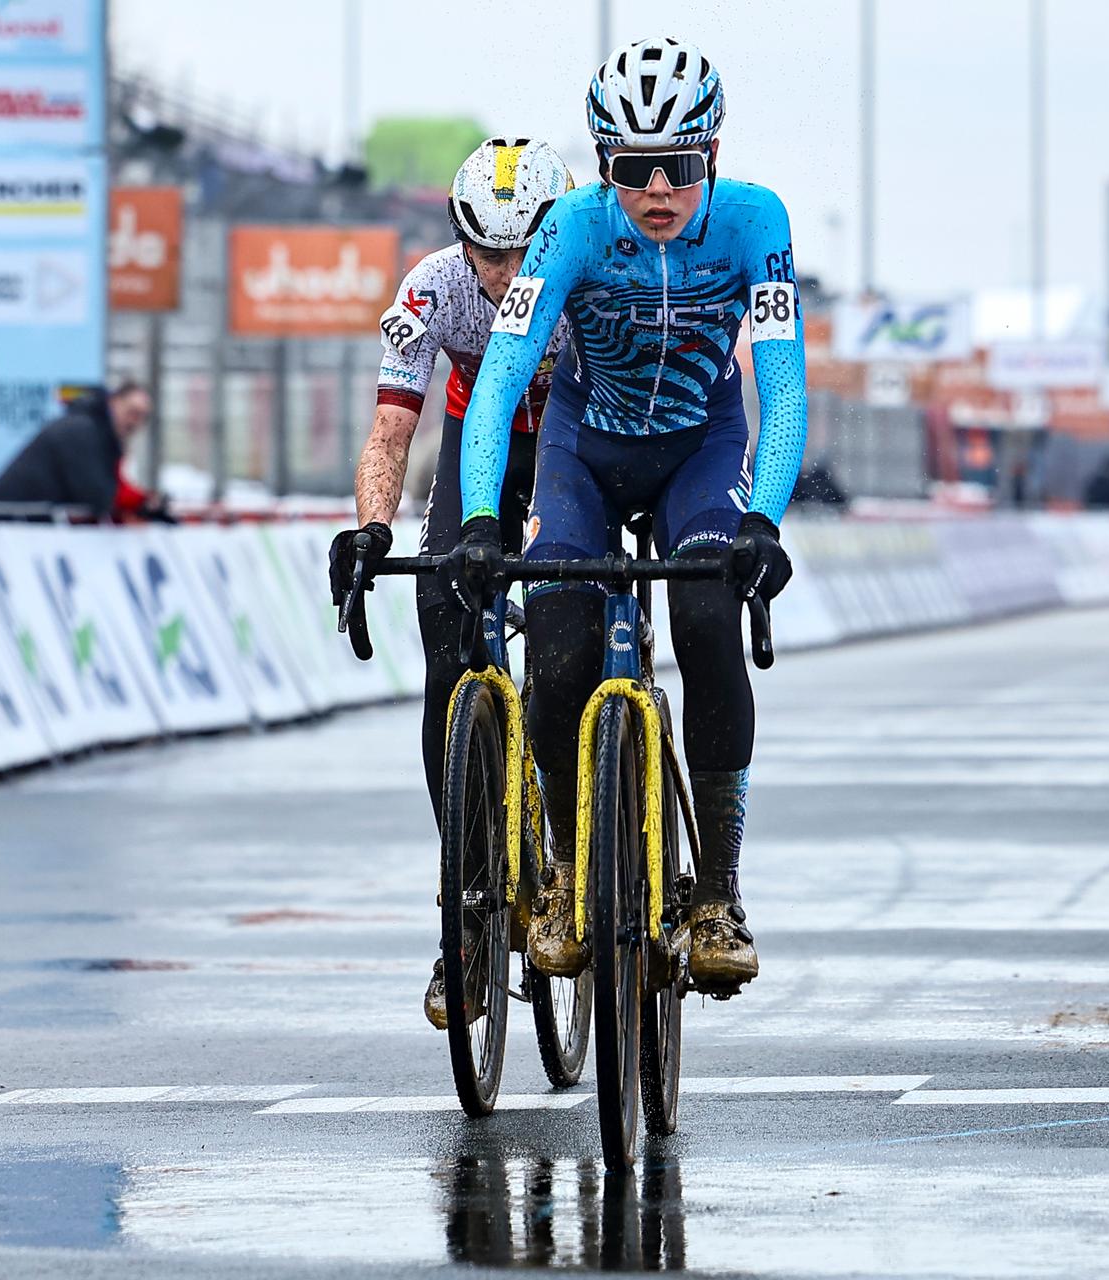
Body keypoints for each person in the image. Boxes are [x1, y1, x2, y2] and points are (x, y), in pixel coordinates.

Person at [449, 37, 807, 999]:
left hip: (699, 449)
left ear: (713, 158)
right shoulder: (568, 229)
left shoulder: (754, 223)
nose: (657, 190)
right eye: (631, 170)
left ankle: (719, 894)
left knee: (704, 621)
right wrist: (483, 515)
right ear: (602, 166)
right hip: (585, 452)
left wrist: (762, 519)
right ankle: (570, 872)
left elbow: (782, 384)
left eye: (679, 167)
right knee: (558, 649)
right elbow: (501, 382)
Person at [326, 137, 577, 1029]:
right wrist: (370, 528)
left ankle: (578, 833)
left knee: (565, 628)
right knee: (446, 634)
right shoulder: (430, 287)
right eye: (490, 253)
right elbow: (392, 433)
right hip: (485, 451)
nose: (507, 274)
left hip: (573, 450)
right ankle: (465, 917)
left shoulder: (587, 270)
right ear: (461, 241)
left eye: (524, 251)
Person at [0, 381, 168, 520]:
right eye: (132, 412)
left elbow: (108, 487)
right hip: (9, 522)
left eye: (142, 417)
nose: (134, 422)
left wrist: (141, 501)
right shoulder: (83, 431)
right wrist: (137, 504)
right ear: (114, 402)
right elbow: (95, 493)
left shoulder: (96, 432)